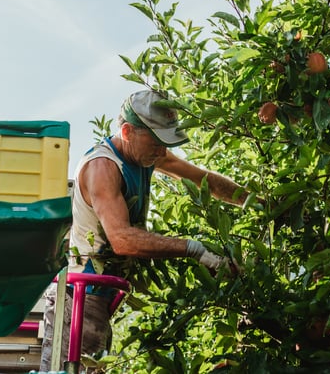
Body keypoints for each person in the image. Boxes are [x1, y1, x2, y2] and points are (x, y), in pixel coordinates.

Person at [40, 89, 249, 372]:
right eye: (156, 142)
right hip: (79, 300)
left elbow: (203, 181)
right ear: (127, 131)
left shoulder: (147, 155)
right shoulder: (102, 168)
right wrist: (194, 249)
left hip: (101, 297)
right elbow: (122, 239)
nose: (162, 151)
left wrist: (254, 201)